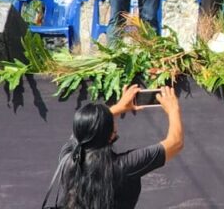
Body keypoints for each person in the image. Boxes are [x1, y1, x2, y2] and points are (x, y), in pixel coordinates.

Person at [44, 84, 182, 209]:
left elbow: (86, 131)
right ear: (110, 135)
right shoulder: (123, 166)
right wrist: (173, 109)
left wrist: (119, 107)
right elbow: (175, 143)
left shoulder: (68, 157)